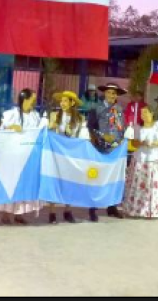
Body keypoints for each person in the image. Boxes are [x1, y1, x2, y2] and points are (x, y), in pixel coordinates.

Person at [0, 89, 45, 225]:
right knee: (12, 183)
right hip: (14, 156)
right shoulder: (12, 114)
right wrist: (11, 126)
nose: (34, 103)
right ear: (24, 99)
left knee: (25, 183)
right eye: (32, 100)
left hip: (30, 156)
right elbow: (1, 131)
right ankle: (6, 214)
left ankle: (20, 213)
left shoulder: (35, 115)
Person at [47, 91, 90, 224]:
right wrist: (51, 127)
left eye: (65, 101)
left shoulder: (79, 119)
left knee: (70, 181)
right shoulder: (54, 116)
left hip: (71, 154)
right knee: (55, 181)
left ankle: (67, 210)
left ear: (72, 103)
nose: (62, 103)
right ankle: (52, 212)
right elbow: (48, 132)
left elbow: (82, 137)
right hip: (57, 153)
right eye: (61, 101)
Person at [87, 83, 128, 221]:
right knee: (98, 178)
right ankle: (93, 208)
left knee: (114, 178)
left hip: (116, 150)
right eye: (110, 93)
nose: (112, 95)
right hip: (100, 148)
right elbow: (90, 127)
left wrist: (122, 140)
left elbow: (122, 127)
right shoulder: (96, 109)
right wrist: (101, 136)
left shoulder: (119, 109)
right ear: (105, 93)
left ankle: (112, 207)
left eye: (114, 93)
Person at [123, 106, 158, 219]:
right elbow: (133, 144)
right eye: (141, 113)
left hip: (154, 157)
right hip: (141, 157)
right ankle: (137, 209)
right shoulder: (138, 127)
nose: (143, 115)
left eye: (145, 113)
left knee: (152, 183)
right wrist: (140, 143)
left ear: (151, 113)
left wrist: (154, 144)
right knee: (139, 182)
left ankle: (152, 209)